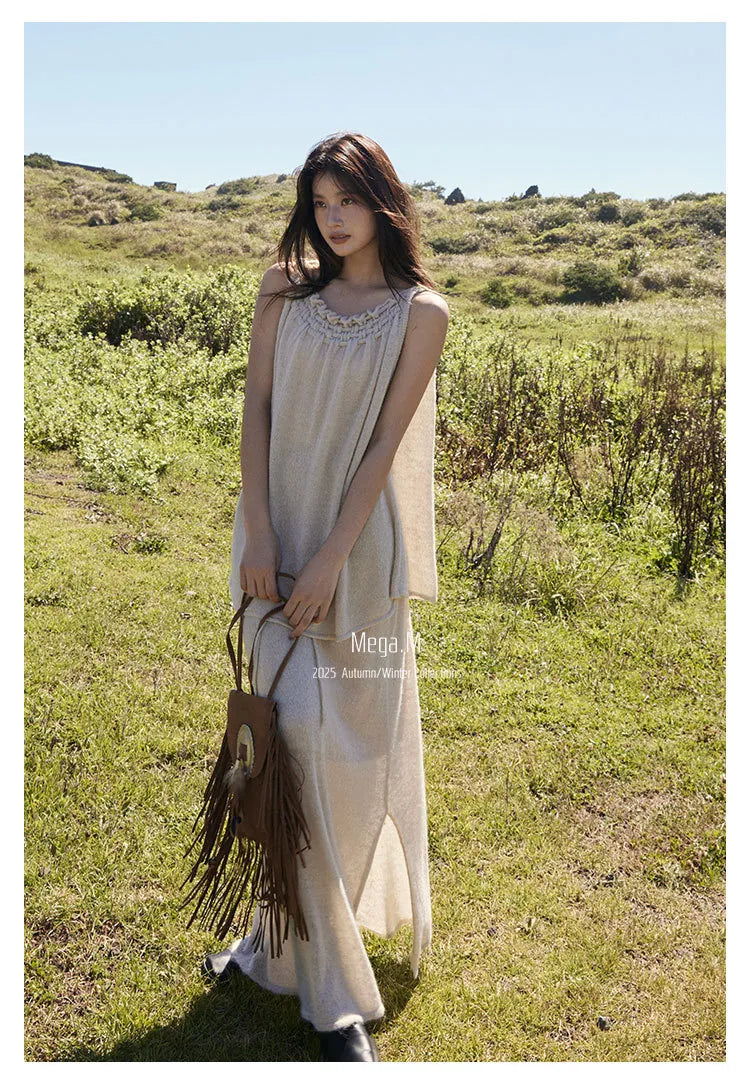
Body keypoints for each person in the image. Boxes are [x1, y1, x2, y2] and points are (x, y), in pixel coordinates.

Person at [201, 131, 450, 1062]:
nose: (333, 218)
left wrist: (331, 562)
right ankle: (334, 1000)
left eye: (348, 200)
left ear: (384, 203)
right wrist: (262, 534)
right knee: (287, 741)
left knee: (343, 759)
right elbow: (257, 410)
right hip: (275, 540)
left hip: (356, 555)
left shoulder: (421, 313)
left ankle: (275, 950)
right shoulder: (282, 290)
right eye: (320, 203)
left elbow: (385, 445)